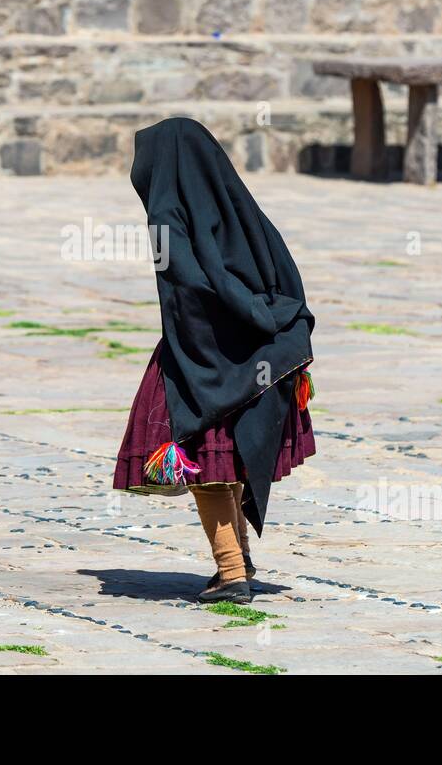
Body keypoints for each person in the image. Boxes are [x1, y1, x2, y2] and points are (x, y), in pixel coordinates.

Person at [113, 117, 316, 604]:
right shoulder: (239, 206)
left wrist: (197, 367)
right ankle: (239, 561)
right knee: (226, 458)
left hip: (204, 356)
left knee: (203, 454)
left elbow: (186, 292)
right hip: (264, 353)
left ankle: (230, 572)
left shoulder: (167, 213)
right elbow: (283, 279)